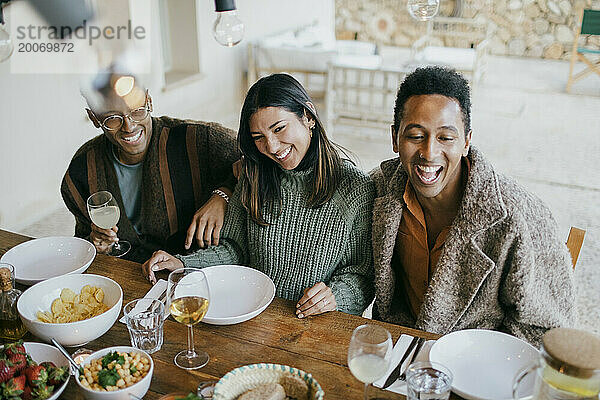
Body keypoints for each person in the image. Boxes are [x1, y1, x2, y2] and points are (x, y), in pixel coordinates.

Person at [371, 66, 576, 345]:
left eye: (446, 137)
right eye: (416, 135)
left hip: (480, 367)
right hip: (395, 353)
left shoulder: (517, 217)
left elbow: (549, 330)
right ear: (395, 138)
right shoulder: (380, 188)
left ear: (467, 142)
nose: (429, 152)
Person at [142, 73, 375, 317]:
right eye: (259, 138)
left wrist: (335, 296)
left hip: (314, 327)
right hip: (253, 316)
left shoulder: (355, 189)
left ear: (308, 117)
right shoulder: (255, 175)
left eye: (279, 128)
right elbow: (235, 251)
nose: (272, 147)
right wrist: (183, 265)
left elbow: (363, 276)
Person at [62, 75, 239, 263]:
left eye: (137, 111)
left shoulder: (197, 140)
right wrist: (95, 243)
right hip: (128, 279)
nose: (129, 126)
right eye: (112, 118)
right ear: (94, 118)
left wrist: (224, 194)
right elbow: (82, 242)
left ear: (149, 101)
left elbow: (257, 158)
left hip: (193, 272)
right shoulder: (83, 169)